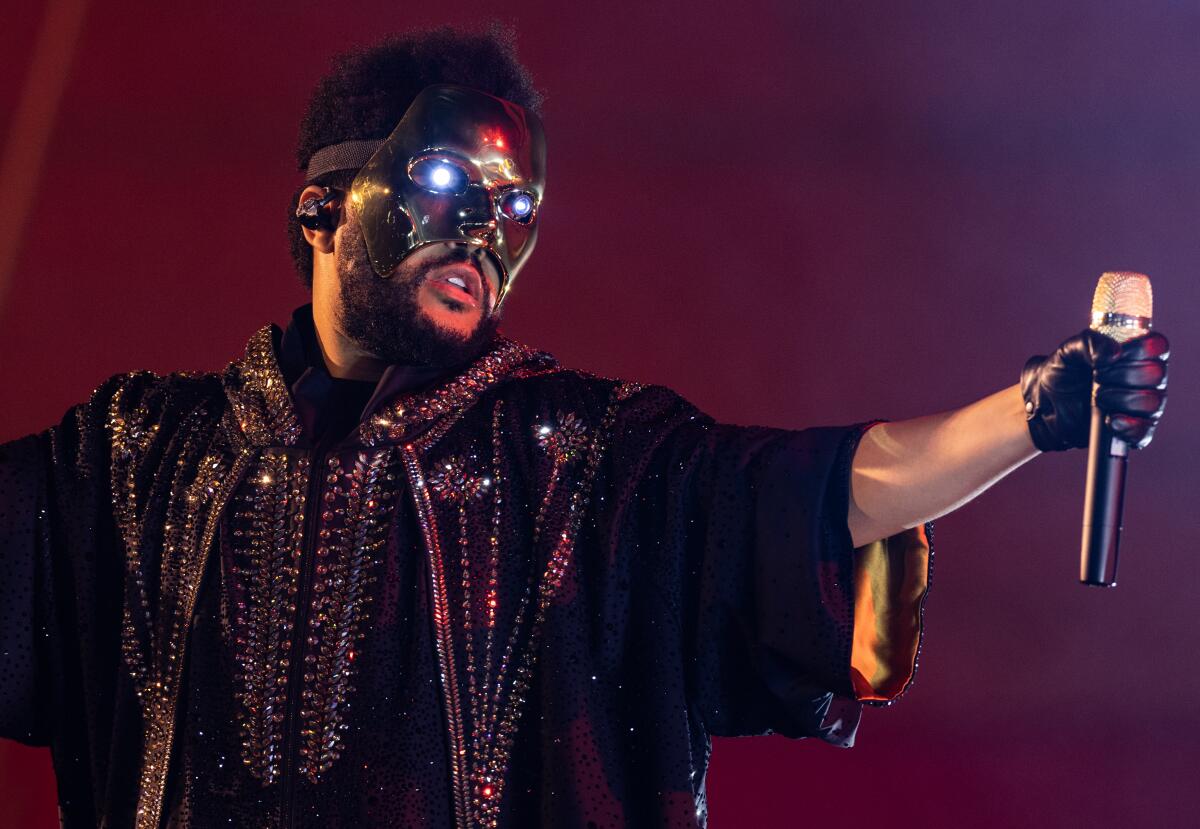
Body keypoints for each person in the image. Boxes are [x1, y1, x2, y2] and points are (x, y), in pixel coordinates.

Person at [0, 25, 1168, 829]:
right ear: (322, 207)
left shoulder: (577, 458)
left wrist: (1032, 414)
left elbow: (804, 495)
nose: (484, 235)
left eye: (514, 211)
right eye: (449, 187)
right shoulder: (133, 462)